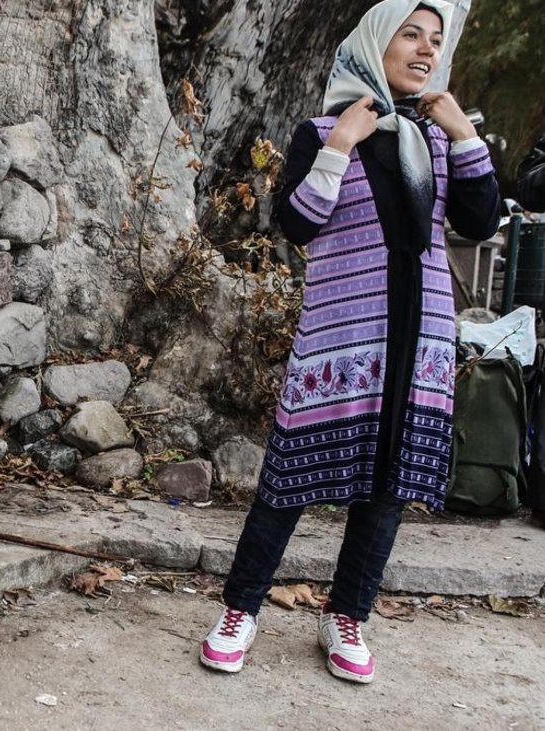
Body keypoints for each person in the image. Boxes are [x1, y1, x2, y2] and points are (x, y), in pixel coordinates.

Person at [197, 0, 499, 685]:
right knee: (289, 480)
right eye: (411, 34)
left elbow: (479, 223)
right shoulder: (322, 130)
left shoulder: (436, 140)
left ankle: (347, 613)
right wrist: (340, 146)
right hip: (341, 347)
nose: (425, 50)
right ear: (376, 40)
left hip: (418, 347)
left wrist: (465, 138)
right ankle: (240, 609)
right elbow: (298, 223)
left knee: (386, 487)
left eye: (435, 40)